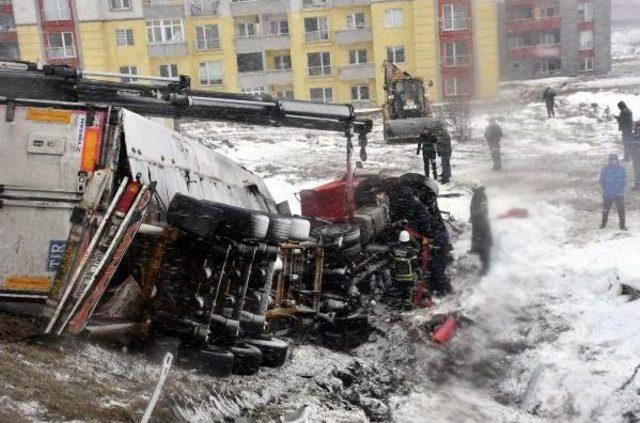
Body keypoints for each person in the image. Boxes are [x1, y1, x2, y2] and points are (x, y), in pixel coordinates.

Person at [600, 154, 627, 230]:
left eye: (615, 160)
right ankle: (603, 223)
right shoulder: (605, 169)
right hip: (608, 193)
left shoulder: (622, 169)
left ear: (617, 161)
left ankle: (622, 225)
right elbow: (602, 180)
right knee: (605, 210)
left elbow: (623, 181)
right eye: (612, 160)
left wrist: (620, 191)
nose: (614, 162)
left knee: (621, 210)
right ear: (609, 161)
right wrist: (605, 189)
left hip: (618, 193)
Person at [469, 186, 493, 275]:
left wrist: (475, 217)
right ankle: (476, 249)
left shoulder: (480, 196)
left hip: (481, 223)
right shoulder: (478, 195)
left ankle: (485, 268)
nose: (472, 189)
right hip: (478, 221)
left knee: (483, 245)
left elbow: (480, 210)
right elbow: (474, 209)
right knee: (478, 240)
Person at [630, 122, 640, 190]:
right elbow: (630, 144)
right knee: (636, 170)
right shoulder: (633, 134)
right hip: (635, 154)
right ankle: (637, 185)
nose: (638, 127)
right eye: (637, 126)